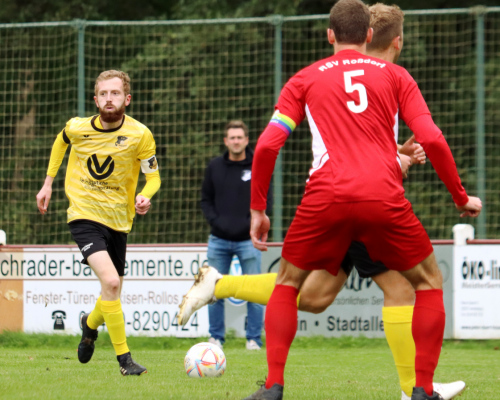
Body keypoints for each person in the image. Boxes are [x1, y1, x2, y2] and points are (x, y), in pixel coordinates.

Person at [243, 0, 482, 399]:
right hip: (381, 197)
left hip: (325, 197)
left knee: (288, 284)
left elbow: (267, 145)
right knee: (427, 282)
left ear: (330, 35)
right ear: (369, 35)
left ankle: (273, 387)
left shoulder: (304, 78)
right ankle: (421, 389)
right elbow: (433, 139)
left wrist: (258, 209)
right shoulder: (396, 76)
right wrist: (460, 196)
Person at [36, 70, 161, 376]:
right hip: (83, 214)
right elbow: (61, 141)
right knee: (112, 282)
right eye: (103, 94)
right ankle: (125, 360)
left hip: (119, 220)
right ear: (95, 99)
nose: (109, 99)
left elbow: (153, 177)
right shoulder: (78, 127)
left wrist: (145, 195)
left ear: (127, 99)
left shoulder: (140, 135)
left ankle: (89, 326)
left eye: (115, 93)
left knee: (111, 291)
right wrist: (48, 182)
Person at [198, 120, 272, 350]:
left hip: (249, 241)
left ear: (246, 140)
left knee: (255, 292)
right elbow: (205, 200)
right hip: (218, 239)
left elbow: (266, 199)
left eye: (240, 137)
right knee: (213, 290)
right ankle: (216, 338)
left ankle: (253, 339)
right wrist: (216, 222)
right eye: (232, 137)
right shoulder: (215, 167)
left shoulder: (257, 166)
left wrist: (252, 223)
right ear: (226, 141)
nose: (236, 141)